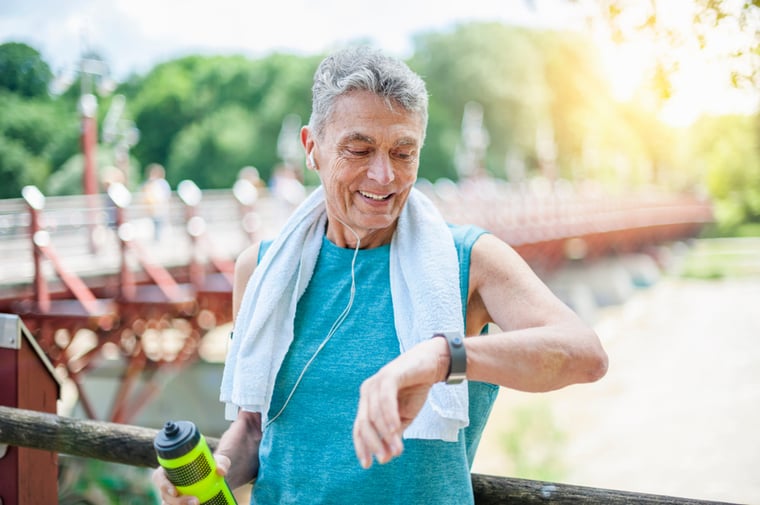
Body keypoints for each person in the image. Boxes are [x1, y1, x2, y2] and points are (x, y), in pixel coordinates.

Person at [153, 46, 608, 505]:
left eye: (403, 152)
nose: (383, 175)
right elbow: (254, 427)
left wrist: (440, 358)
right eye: (359, 149)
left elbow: (585, 355)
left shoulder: (469, 260)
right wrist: (205, 482)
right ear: (312, 148)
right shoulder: (260, 269)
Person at [141, 163, 171, 241]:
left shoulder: (161, 183)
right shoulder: (149, 183)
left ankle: (159, 241)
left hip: (159, 208)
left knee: (160, 226)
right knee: (155, 226)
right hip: (152, 209)